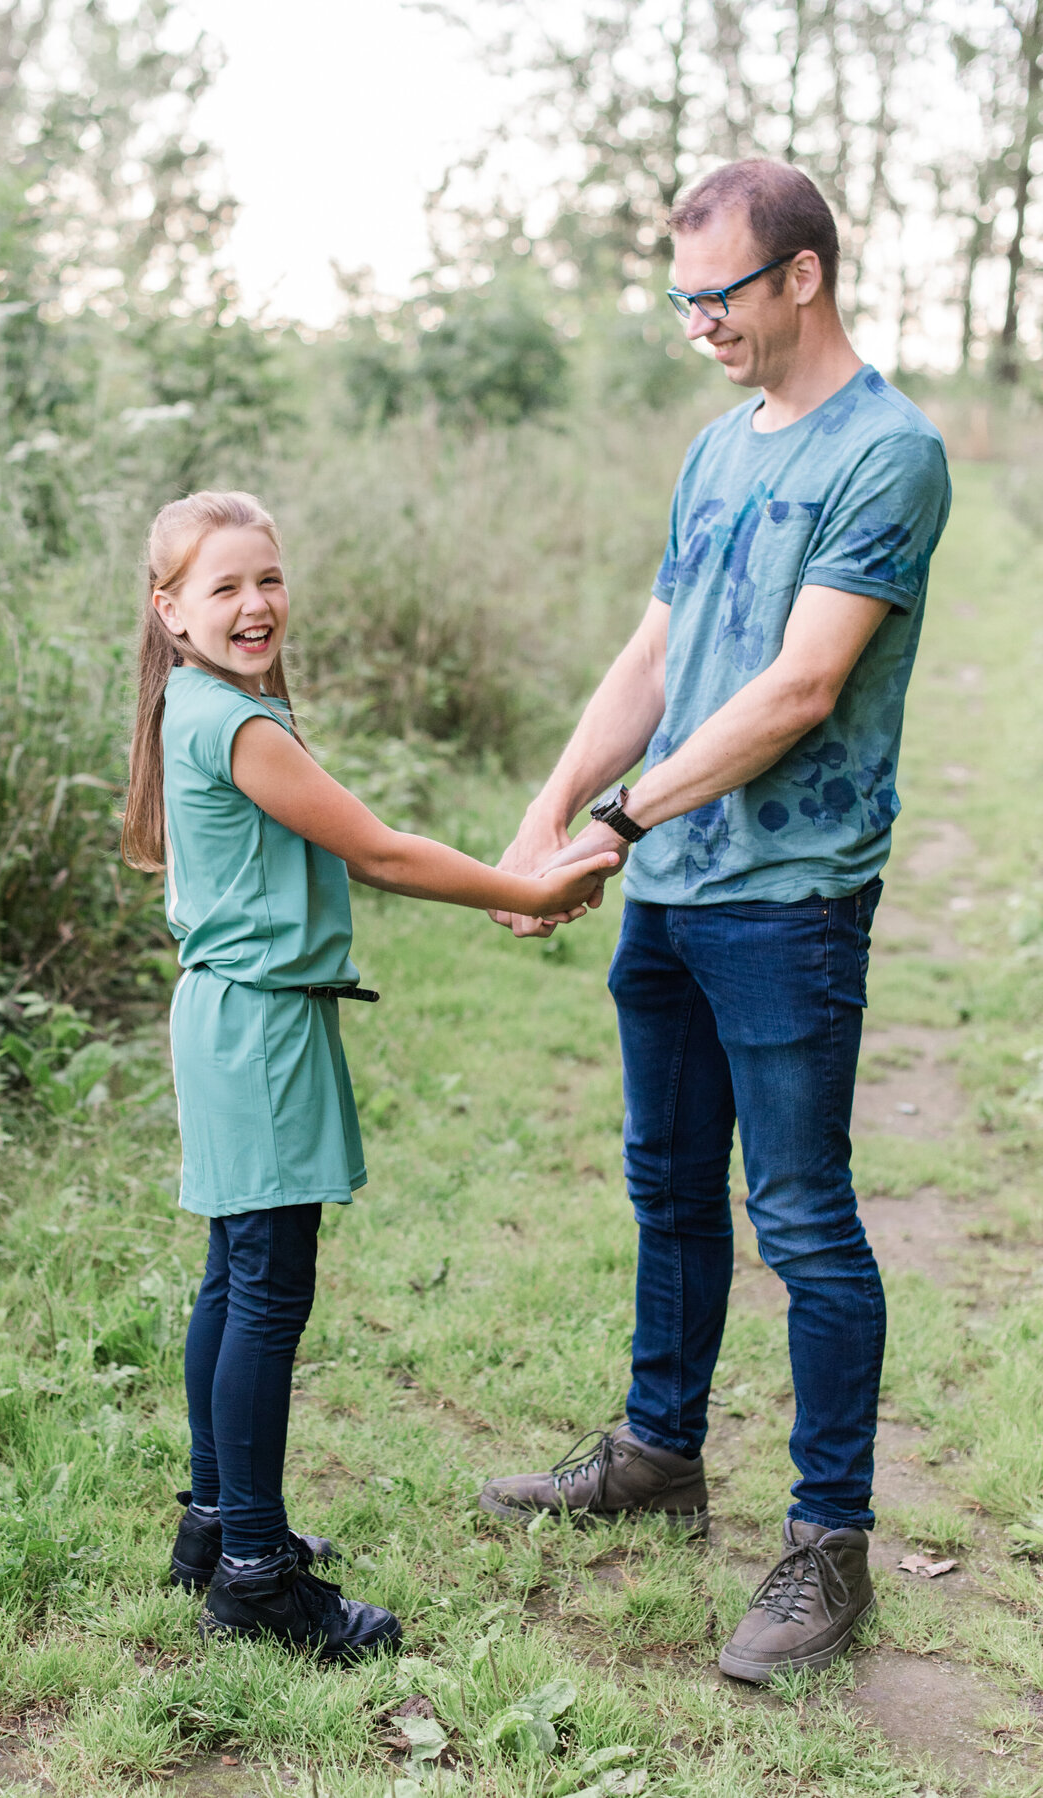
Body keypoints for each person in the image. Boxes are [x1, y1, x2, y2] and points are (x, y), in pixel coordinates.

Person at [478, 160, 951, 1684]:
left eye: (717, 295)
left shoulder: (890, 452)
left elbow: (800, 687)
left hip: (791, 899)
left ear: (801, 276)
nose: (696, 323)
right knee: (668, 1186)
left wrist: (620, 822)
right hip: (675, 894)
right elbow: (661, 652)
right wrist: (552, 811)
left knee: (802, 1216)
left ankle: (829, 1543)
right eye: (679, 298)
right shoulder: (715, 449)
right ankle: (656, 1451)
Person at [119, 489, 617, 1663]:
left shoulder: (207, 702)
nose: (255, 604)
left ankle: (216, 1523)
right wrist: (528, 887)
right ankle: (253, 1573)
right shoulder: (237, 726)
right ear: (171, 608)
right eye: (225, 585)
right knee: (267, 1289)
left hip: (233, 1018)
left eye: (269, 578)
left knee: (233, 1280)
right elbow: (380, 847)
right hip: (259, 1031)